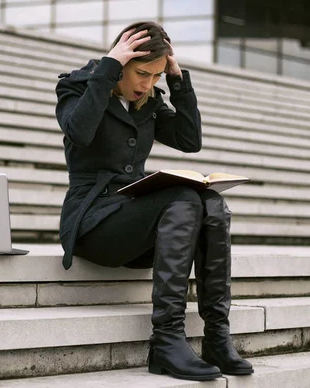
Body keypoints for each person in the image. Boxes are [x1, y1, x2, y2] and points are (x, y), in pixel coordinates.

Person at [55, 21, 253, 381]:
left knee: (210, 202)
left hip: (134, 222)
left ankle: (216, 337)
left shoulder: (148, 101)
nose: (147, 84)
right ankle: (166, 341)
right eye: (141, 73)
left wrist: (177, 82)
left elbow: (190, 140)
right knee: (182, 197)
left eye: (156, 77)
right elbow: (79, 132)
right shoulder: (78, 87)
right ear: (121, 60)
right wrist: (107, 70)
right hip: (93, 223)